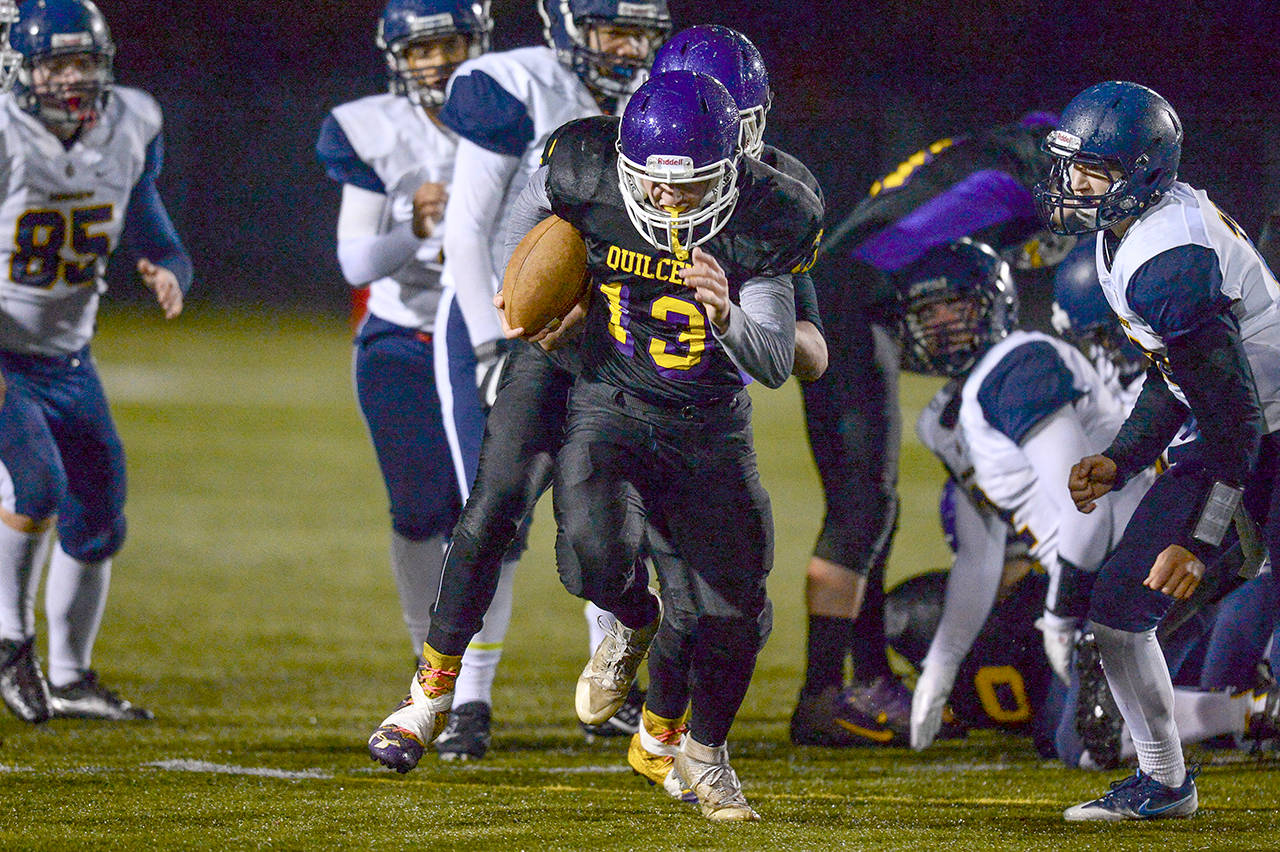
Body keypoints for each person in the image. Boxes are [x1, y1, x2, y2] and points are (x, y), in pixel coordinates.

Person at [365, 0, 672, 768]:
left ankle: (617, 678)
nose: (629, 48)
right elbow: (470, 229)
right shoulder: (513, 86)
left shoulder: (671, 95)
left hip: (620, 338)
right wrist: (491, 338)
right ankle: (458, 697)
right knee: (493, 513)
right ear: (569, 26)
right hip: (515, 326)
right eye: (613, 30)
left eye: (641, 32)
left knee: (611, 519)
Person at [1035, 80, 1280, 821]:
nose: (1074, 185)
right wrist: (1125, 458)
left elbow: (1234, 418)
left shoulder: (1167, 260)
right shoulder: (1136, 238)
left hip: (1260, 435)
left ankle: (1171, 781)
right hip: (1250, 427)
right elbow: (1177, 374)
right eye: (1069, 167)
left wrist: (1203, 541)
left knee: (1123, 608)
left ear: (1140, 173)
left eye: (1093, 171)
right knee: (1118, 612)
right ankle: (1167, 781)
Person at [790, 109, 1069, 747]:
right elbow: (903, 249)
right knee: (863, 505)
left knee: (868, 507)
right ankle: (824, 694)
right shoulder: (1015, 177)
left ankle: (860, 682)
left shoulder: (984, 152)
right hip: (851, 301)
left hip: (849, 297)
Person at [620, 23, 828, 800]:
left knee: (723, 598)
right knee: (606, 549)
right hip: (616, 396)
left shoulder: (775, 197)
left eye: (736, 128)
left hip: (710, 411)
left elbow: (804, 346)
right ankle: (619, 647)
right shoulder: (618, 171)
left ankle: (669, 731)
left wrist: (768, 335)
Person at [315, 0, 504, 762]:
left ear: (478, 44)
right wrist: (416, 229)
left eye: (451, 43)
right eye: (421, 48)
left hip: (493, 331)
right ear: (396, 56)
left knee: (493, 515)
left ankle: (475, 701)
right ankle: (434, 678)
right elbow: (355, 264)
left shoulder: (511, 114)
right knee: (421, 511)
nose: (436, 61)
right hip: (402, 334)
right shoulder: (371, 127)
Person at [0, 0, 191, 724]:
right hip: (3, 349)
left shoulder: (130, 122)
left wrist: (169, 269)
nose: (72, 77)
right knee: (35, 482)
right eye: (55, 63)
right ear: (22, 70)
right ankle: (10, 642)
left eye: (84, 61)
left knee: (99, 514)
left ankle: (72, 677)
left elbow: (152, 227)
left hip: (67, 357)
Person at [893, 238, 1153, 751]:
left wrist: (1060, 617)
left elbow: (1087, 505)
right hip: (1089, 575)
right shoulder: (945, 417)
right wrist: (940, 668)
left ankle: (1248, 708)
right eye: (929, 312)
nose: (943, 322)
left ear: (994, 302)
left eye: (955, 305)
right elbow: (979, 552)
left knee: (1083, 740)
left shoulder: (1018, 365)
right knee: (1067, 733)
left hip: (1131, 564)